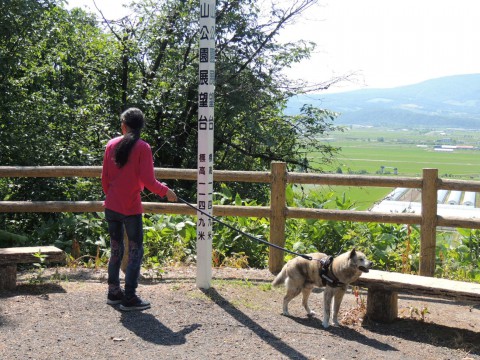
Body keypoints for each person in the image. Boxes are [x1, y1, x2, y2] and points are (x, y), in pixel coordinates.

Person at [102, 107, 177, 311]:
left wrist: (111, 197)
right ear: (140, 126)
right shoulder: (143, 147)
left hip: (112, 206)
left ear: (124, 126)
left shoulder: (110, 145)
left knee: (116, 249)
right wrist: (166, 192)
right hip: (131, 207)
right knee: (135, 251)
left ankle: (113, 293)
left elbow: (105, 179)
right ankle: (130, 297)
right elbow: (149, 181)